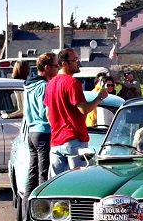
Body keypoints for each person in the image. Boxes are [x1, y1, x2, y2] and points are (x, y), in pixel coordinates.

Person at [44, 48, 107, 175]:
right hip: (74, 140)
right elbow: (84, 109)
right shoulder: (72, 83)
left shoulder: (50, 84)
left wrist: (58, 127)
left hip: (56, 141)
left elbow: (47, 113)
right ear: (64, 64)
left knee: (56, 185)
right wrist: (100, 97)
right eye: (75, 60)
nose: (78, 63)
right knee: (78, 182)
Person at [23, 52, 58, 205]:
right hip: (43, 131)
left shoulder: (29, 85)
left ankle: (26, 215)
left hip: (31, 132)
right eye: (55, 66)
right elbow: (47, 113)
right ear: (47, 68)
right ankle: (42, 211)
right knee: (43, 176)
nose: (57, 69)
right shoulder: (45, 86)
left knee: (32, 175)